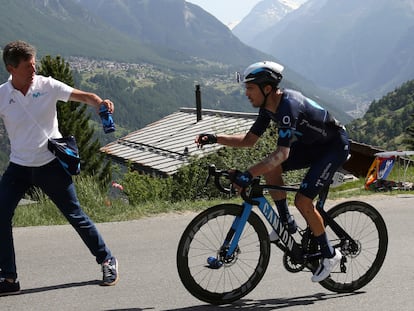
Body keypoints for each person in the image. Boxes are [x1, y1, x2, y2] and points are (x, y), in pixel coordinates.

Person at [195, 61, 350, 283]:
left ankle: (330, 254)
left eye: (250, 88)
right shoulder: (268, 107)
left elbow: (282, 153)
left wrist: (248, 174)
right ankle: (286, 222)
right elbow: (249, 141)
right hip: (313, 145)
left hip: (334, 147)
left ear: (267, 89)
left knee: (303, 201)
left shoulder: (288, 106)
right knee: (271, 168)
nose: (246, 93)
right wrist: (215, 138)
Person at [0, 40, 119, 296]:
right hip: (19, 167)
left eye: (34, 63)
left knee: (75, 216)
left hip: (50, 165)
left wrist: (101, 103)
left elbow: (85, 97)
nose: (34, 69)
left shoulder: (48, 85)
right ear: (12, 68)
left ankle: (107, 260)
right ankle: (9, 279)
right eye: (28, 66)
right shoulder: (2, 95)